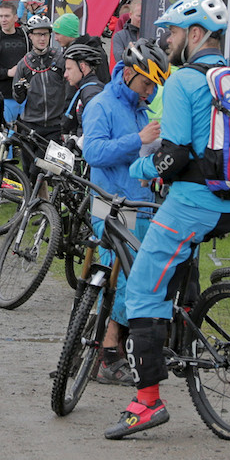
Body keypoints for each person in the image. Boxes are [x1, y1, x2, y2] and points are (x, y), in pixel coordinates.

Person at [109, 0, 230, 440]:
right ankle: (183, 327)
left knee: (141, 292)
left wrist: (139, 168)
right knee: (173, 269)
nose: (166, 41)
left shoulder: (183, 82)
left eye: (171, 32)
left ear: (194, 34)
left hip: (195, 202)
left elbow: (172, 157)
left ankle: (147, 402)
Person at [79, 41, 169, 384]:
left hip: (140, 206)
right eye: (146, 83)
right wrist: (138, 140)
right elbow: (94, 153)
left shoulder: (141, 110)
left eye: (154, 86)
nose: (150, 91)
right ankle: (107, 354)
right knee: (120, 283)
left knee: (139, 283)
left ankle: (113, 349)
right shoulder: (101, 104)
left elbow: (139, 158)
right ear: (129, 73)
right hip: (111, 207)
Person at [12, 15, 69, 144]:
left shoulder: (60, 59)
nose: (42, 38)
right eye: (38, 34)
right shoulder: (24, 64)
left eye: (46, 34)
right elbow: (18, 99)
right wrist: (19, 92)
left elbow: (69, 90)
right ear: (30, 36)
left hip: (55, 126)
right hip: (31, 125)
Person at [60, 38, 105, 133]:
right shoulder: (87, 88)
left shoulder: (91, 92)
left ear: (82, 67)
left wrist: (80, 139)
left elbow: (96, 129)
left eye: (69, 69)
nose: (65, 75)